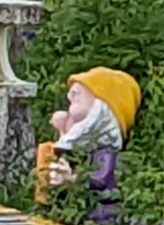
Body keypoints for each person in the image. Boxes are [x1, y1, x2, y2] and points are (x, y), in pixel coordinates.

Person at [35, 67, 142, 201]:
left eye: (78, 96)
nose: (71, 97)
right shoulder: (79, 152)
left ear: (101, 112)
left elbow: (100, 180)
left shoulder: (106, 154)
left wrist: (72, 179)